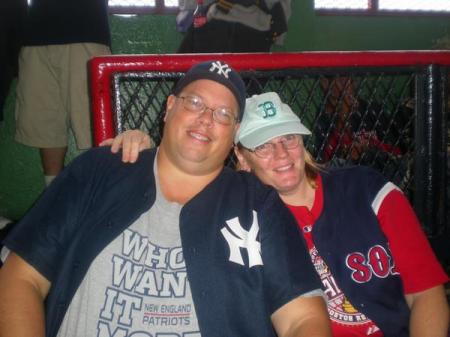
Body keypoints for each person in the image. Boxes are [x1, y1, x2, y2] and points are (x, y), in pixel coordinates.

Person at [0, 61, 332, 337]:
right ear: (169, 107)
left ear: (234, 133)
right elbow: (21, 278)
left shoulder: (258, 204)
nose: (206, 118)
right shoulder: (98, 170)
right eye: (195, 103)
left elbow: (304, 318)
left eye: (222, 114)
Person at [113, 92, 450, 337]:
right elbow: (177, 180)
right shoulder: (243, 216)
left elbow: (426, 293)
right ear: (242, 159)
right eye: (263, 145)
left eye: (288, 138)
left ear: (303, 142)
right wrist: (141, 149)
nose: (282, 154)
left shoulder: (368, 190)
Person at [14, 0, 111, 186]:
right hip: (36, 33)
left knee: (94, 127)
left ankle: (99, 201)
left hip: (85, 29)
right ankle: (53, 195)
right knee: (46, 125)